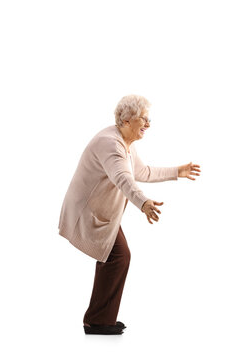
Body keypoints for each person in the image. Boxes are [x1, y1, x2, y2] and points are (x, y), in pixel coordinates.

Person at [58, 95, 201, 335]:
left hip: (102, 214)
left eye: (148, 118)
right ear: (126, 120)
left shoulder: (124, 143)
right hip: (88, 213)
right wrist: (143, 202)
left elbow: (141, 171)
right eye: (143, 119)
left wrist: (178, 171)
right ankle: (97, 321)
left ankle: (98, 319)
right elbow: (123, 179)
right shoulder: (111, 144)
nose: (148, 124)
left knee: (115, 257)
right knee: (118, 256)